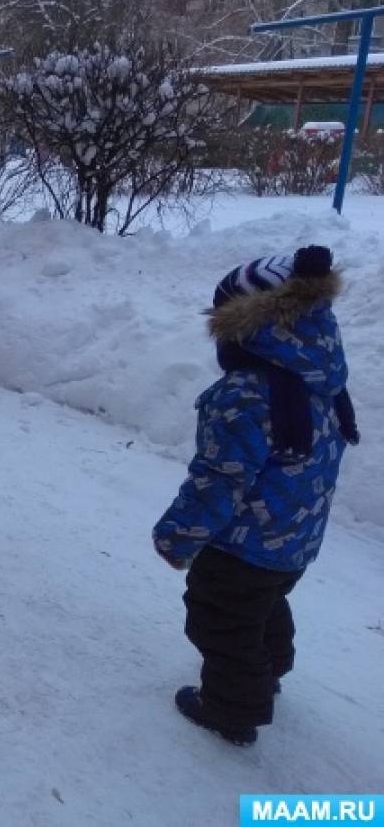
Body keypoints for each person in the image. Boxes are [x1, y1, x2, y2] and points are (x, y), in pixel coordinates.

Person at [153, 245, 359, 746]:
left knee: (220, 619)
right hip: (293, 542)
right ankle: (271, 667)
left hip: (240, 545)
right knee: (263, 604)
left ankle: (232, 709)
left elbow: (219, 478)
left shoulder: (245, 393)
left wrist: (177, 536)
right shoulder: (323, 381)